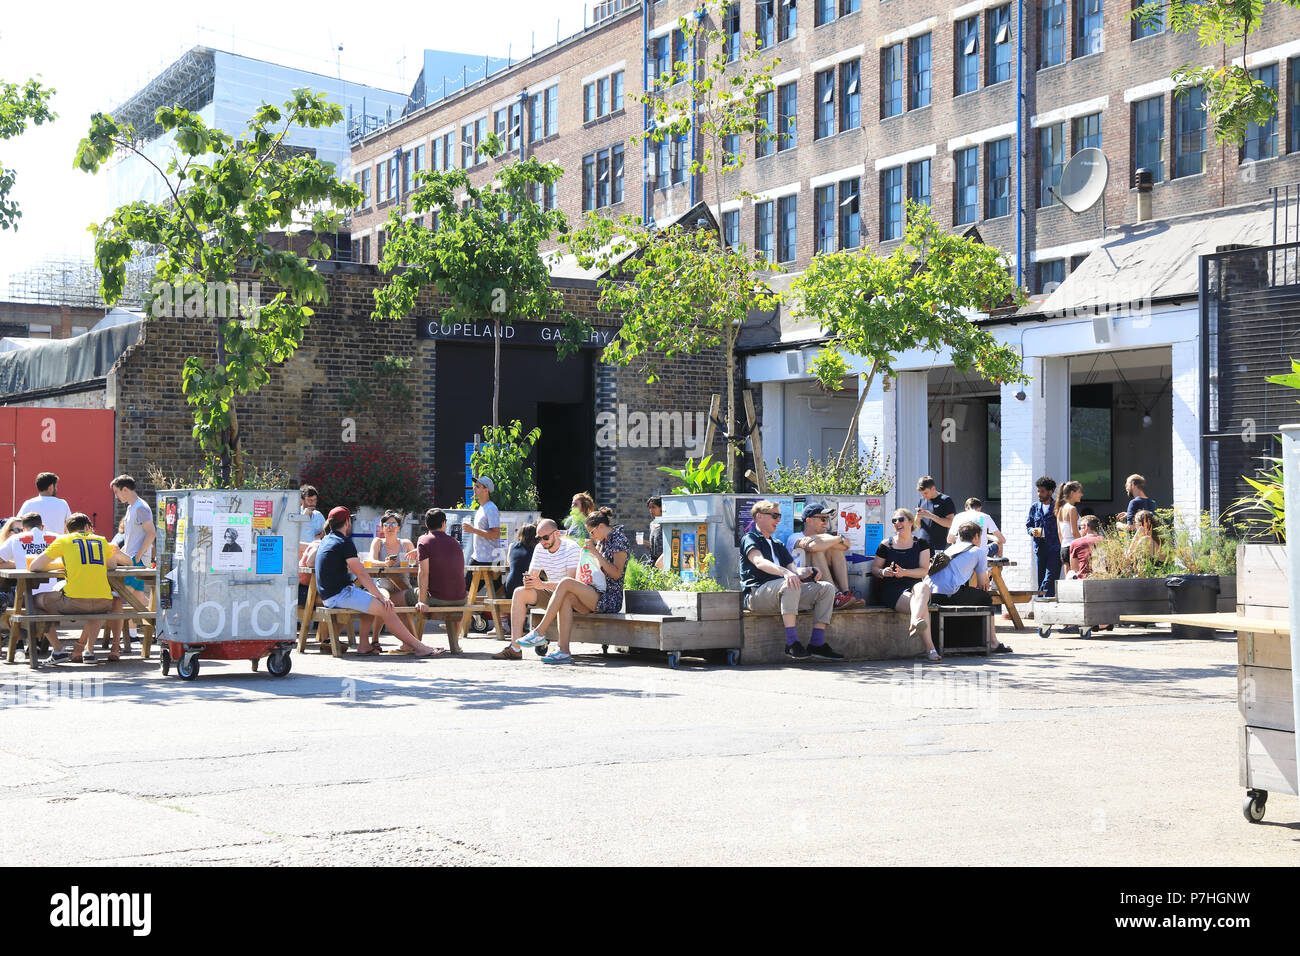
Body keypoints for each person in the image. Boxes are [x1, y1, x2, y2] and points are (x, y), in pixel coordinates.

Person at [315, 506, 439, 657]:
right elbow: (361, 573)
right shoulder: (344, 542)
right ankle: (419, 647)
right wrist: (381, 597)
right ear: (347, 522)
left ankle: (364, 645)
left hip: (329, 595)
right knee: (385, 607)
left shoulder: (326, 540)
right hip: (340, 595)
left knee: (372, 601)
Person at [517, 507, 629, 664]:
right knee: (566, 597)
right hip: (594, 592)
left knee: (565, 582)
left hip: (608, 598)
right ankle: (563, 651)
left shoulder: (619, 540)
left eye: (592, 532)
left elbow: (616, 574)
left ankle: (539, 632)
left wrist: (596, 553)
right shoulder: (603, 540)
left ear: (601, 527)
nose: (591, 536)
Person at [735, 499, 842, 661]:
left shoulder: (777, 543)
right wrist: (786, 573)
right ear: (759, 516)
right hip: (757, 594)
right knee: (790, 583)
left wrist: (808, 570)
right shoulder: (750, 538)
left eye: (779, 516)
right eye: (774, 516)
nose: (778, 520)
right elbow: (759, 562)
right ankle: (791, 643)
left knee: (826, 588)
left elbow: (794, 570)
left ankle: (817, 643)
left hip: (783, 592)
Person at [30, 513, 133, 664]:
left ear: (68, 530)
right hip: (104, 602)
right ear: (87, 527)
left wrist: (64, 564)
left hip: (74, 602)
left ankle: (58, 650)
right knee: (104, 603)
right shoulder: (101, 540)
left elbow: (34, 566)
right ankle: (89, 651)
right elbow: (112, 565)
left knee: (32, 601)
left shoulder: (64, 540)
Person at [905, 521, 1012, 662]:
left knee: (969, 593)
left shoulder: (949, 549)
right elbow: (982, 584)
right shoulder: (978, 551)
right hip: (947, 595)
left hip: (930, 595)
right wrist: (986, 574)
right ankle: (993, 642)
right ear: (976, 536)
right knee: (985, 597)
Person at [494, 518, 580, 661]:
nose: (542, 541)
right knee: (519, 592)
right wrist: (529, 581)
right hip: (552, 593)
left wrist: (543, 585)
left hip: (571, 596)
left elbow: (570, 582)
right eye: (538, 538)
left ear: (556, 533)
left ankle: (545, 637)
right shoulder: (540, 548)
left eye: (545, 537)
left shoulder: (571, 548)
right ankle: (515, 648)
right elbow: (533, 575)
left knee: (564, 593)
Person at [0, 512, 60, 655]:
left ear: (23, 528)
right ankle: (37, 640)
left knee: (11, 601)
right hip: (54, 595)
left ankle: (21, 643)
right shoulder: (56, 538)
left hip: (25, 595)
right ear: (42, 526)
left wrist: (19, 563)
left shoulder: (16, 539)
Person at [785, 503, 865, 609]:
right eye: (823, 519)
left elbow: (846, 545)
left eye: (827, 519)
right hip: (801, 583)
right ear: (808, 520)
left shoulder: (826, 537)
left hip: (818, 580)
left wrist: (833, 538)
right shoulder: (794, 537)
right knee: (817, 551)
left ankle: (845, 593)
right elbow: (814, 547)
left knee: (835, 550)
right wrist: (837, 538)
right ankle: (835, 595)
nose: (826, 523)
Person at [109, 475, 155, 653]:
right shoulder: (132, 507)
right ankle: (134, 637)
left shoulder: (141, 507)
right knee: (136, 599)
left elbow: (151, 533)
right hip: (132, 559)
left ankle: (119, 641)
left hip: (136, 561)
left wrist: (138, 556)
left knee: (118, 599)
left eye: (117, 492)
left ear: (125, 490)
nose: (116, 496)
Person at [413, 509, 468, 654]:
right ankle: (455, 644)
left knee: (398, 598)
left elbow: (423, 573)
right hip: (461, 598)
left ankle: (410, 644)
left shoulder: (424, 541)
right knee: (450, 597)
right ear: (444, 523)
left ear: (426, 524)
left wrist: (422, 601)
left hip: (438, 598)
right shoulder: (455, 542)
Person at [367, 510, 416, 651]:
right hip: (384, 585)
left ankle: (413, 642)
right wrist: (385, 563)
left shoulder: (406, 543)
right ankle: (375, 639)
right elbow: (370, 561)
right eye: (387, 524)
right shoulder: (378, 542)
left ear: (398, 527)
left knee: (404, 607)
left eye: (394, 524)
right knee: (384, 601)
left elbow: (416, 562)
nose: (390, 527)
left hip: (403, 584)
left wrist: (415, 557)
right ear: (382, 527)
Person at [869, 508, 930, 613]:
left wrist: (904, 572)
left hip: (915, 587)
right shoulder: (885, 544)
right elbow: (874, 568)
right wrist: (882, 572)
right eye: (894, 521)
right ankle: (919, 621)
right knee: (919, 605)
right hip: (892, 589)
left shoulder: (921, 544)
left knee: (923, 587)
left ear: (911, 522)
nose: (897, 523)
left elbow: (924, 571)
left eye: (901, 519)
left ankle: (917, 621)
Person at [461, 477, 501, 583]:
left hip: (488, 560)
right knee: (467, 588)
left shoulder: (491, 508)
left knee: (466, 588)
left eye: (478, 487)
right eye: (475, 486)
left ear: (486, 490)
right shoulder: (482, 508)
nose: (474, 488)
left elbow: (496, 534)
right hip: (480, 558)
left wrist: (473, 530)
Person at [1026, 476, 1061, 597]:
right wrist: (1032, 531)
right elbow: (1029, 525)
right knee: (1041, 578)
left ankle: (1045, 599)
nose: (1039, 494)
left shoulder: (1058, 507)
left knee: (1050, 577)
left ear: (1050, 492)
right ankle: (1041, 601)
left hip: (1055, 547)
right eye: (1038, 491)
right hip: (1040, 547)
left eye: (1042, 491)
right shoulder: (1034, 507)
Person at [17, 472, 71, 539]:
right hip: (57, 543)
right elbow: (70, 526)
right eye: (56, 486)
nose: (56, 489)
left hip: (34, 544)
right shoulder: (63, 504)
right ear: (51, 487)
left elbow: (17, 523)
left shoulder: (29, 503)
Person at [914, 476, 956, 553]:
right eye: (922, 494)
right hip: (923, 546)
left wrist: (931, 516)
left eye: (926, 493)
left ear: (933, 488)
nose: (924, 496)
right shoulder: (921, 501)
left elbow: (950, 523)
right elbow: (917, 525)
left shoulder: (945, 500)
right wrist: (918, 517)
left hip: (939, 546)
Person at [1055, 481, 1083, 574]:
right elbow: (1074, 532)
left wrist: (1064, 546)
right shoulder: (1072, 509)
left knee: (1068, 578)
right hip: (1073, 547)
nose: (1081, 494)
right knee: (1076, 577)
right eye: (1079, 492)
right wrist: (1083, 545)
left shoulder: (1060, 509)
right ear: (1072, 493)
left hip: (1064, 547)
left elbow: (1059, 533)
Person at [1068, 515, 1105, 579]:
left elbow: (1074, 568)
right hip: (1105, 577)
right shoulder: (1108, 541)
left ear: (1086, 527)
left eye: (1080, 527)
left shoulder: (1076, 543)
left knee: (1070, 573)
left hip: (1084, 578)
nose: (1079, 530)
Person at [646, 496, 664, 569]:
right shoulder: (652, 524)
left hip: (663, 561)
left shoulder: (666, 525)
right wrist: (643, 542)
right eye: (649, 508)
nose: (651, 510)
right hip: (653, 561)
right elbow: (654, 546)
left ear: (661, 508)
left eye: (653, 507)